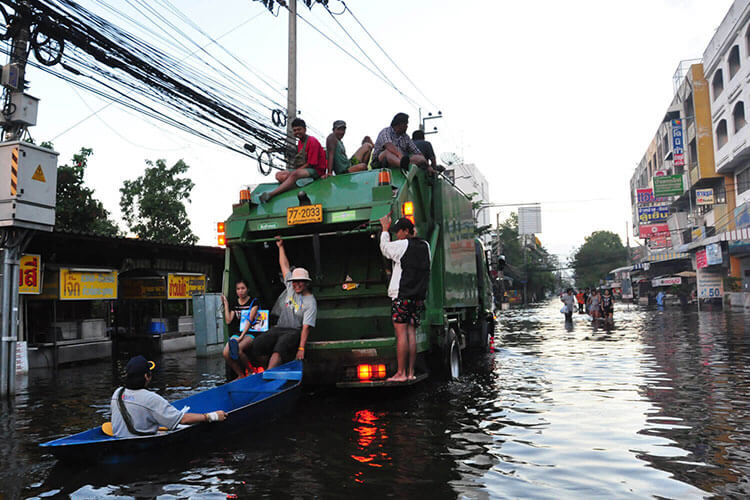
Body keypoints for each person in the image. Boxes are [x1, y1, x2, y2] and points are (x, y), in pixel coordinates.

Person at [110, 355, 226, 438]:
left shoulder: (117, 393)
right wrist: (212, 416)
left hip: (120, 438)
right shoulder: (150, 398)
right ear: (146, 376)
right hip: (139, 442)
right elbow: (183, 420)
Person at [378, 215, 431, 382]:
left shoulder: (403, 245)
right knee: (411, 334)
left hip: (401, 296)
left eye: (398, 231)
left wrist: (384, 230)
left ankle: (400, 373)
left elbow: (385, 249)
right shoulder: (425, 246)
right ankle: (410, 372)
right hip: (416, 297)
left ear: (406, 231)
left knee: (401, 335)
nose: (397, 235)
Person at [252, 236, 317, 369]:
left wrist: (301, 348)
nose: (297, 284)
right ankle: (266, 372)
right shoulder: (290, 288)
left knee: (279, 349)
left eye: (300, 282)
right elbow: (285, 266)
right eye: (294, 281)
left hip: (294, 331)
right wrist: (280, 247)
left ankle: (269, 376)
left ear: (306, 283)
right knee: (258, 344)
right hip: (279, 328)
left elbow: (306, 328)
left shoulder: (311, 302)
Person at [259, 118, 326, 203]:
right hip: (305, 169)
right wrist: (291, 173)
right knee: (279, 175)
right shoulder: (300, 143)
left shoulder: (312, 141)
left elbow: (311, 164)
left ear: (305, 129)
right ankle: (297, 184)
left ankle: (271, 194)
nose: (297, 132)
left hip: (316, 171)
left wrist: (293, 173)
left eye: (299, 129)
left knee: (294, 174)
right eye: (295, 130)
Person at [221, 279, 260, 379]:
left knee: (238, 349)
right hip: (238, 332)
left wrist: (241, 337)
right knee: (226, 353)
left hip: (250, 332)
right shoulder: (235, 303)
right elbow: (228, 320)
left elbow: (249, 321)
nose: (240, 291)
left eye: (243, 288)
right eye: (238, 289)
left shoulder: (254, 302)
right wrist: (226, 304)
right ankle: (240, 375)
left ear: (247, 289)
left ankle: (251, 371)